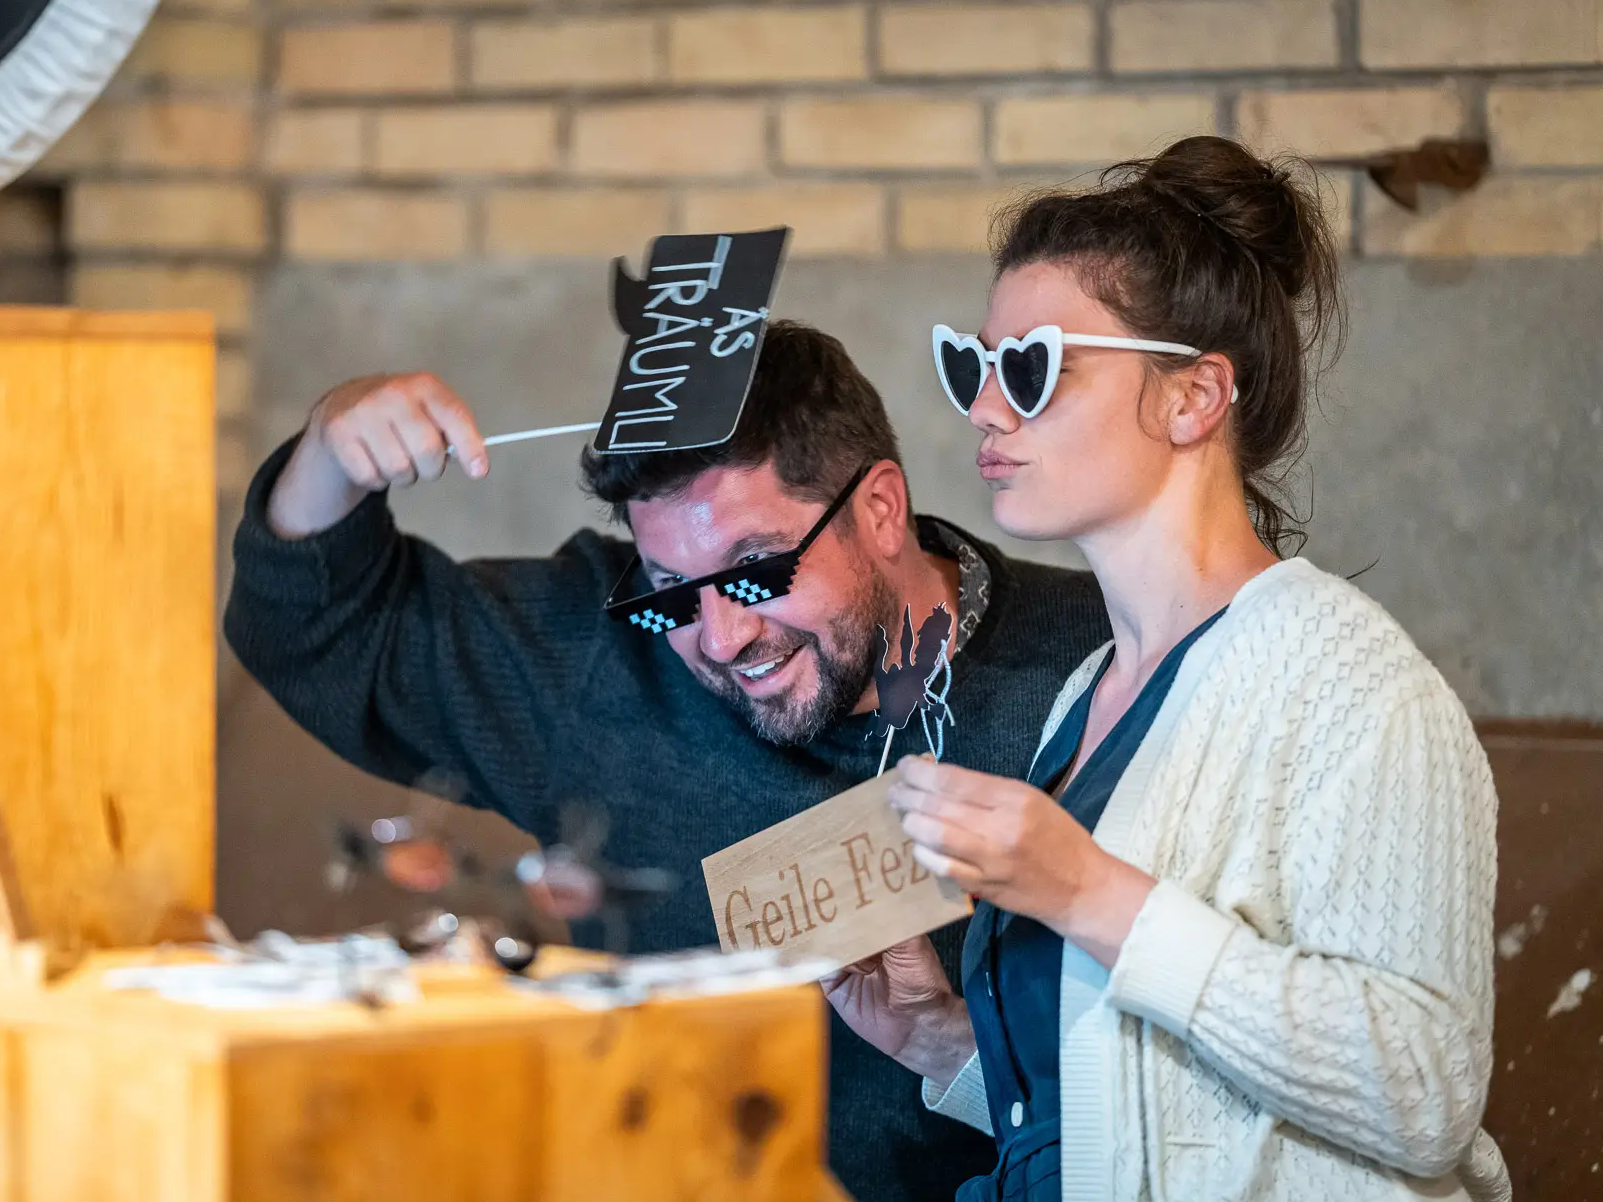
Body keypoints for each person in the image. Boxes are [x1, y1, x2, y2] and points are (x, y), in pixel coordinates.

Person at [225, 321, 1111, 1202]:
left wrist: (953, 1046)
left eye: (757, 569)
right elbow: (310, 625)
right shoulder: (601, 660)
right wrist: (329, 449)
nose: (721, 638)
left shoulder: (1101, 668)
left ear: (879, 509)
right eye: (670, 589)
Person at [825, 135, 1508, 1201]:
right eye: (975, 363)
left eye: (1034, 367)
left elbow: (1425, 1091)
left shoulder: (1353, 685)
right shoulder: (1085, 693)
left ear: (1194, 397)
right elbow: (1123, 1105)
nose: (987, 409)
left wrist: (1094, 890)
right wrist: (945, 1044)